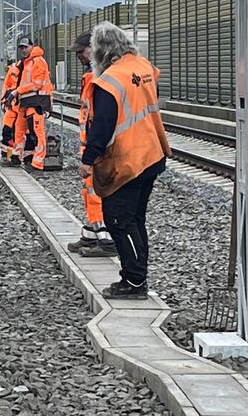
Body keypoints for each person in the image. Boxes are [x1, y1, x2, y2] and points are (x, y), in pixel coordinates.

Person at [79, 21, 171, 299]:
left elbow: (103, 124)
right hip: (152, 153)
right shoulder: (143, 67)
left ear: (101, 51)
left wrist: (89, 158)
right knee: (135, 219)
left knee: (118, 220)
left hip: (129, 160)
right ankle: (137, 276)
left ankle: (133, 281)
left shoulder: (109, 80)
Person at [67, 32, 115, 257]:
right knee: (89, 188)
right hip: (90, 145)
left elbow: (100, 117)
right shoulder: (91, 75)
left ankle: (105, 239)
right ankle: (91, 232)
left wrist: (94, 150)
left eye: (81, 50)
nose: (78, 55)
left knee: (96, 189)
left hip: (98, 147)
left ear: (93, 49)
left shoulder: (101, 76)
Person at [6, 35, 52, 170]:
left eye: (26, 47)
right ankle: (17, 157)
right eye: (22, 48)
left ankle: (38, 162)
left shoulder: (38, 61)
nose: (24, 50)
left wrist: (16, 92)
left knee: (37, 132)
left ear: (32, 46)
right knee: (19, 131)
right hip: (26, 101)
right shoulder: (26, 63)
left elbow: (37, 84)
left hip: (37, 102)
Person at [0, 57, 23, 166]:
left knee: (21, 135)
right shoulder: (13, 69)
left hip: (24, 109)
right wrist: (3, 101)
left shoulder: (32, 68)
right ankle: (7, 157)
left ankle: (18, 158)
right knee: (7, 133)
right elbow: (6, 86)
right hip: (12, 108)